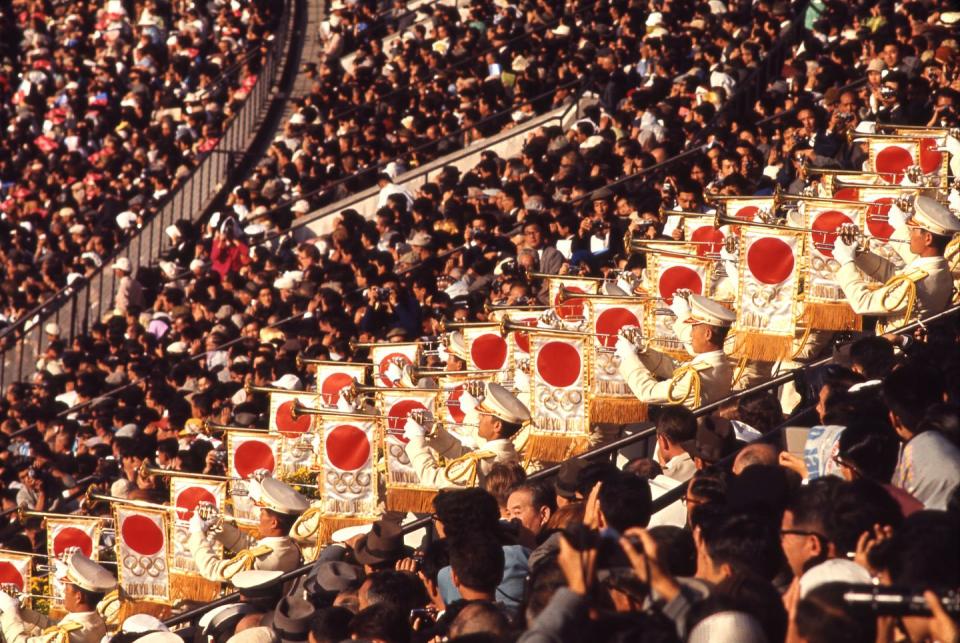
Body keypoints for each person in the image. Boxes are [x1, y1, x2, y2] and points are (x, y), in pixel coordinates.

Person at [832, 196, 960, 332]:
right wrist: (859, 254)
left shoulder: (919, 282)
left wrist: (846, 262)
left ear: (927, 239)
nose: (909, 234)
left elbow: (864, 303)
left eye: (913, 230)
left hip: (895, 350)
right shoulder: (937, 267)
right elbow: (894, 275)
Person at [616, 295, 736, 408]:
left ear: (707, 334)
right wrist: (643, 351)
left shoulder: (697, 376)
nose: (690, 334)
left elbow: (649, 393)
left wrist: (629, 357)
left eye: (694, 328)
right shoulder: (721, 363)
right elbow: (676, 369)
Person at [403, 382, 529, 487]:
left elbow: (433, 479)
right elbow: (464, 454)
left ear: (497, 426)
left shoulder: (486, 460)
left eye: (484, 415)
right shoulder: (503, 451)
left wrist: (416, 440)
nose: (479, 417)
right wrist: (433, 430)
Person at [189, 477, 309, 581]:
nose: (259, 516)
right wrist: (218, 524)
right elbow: (251, 546)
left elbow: (213, 569)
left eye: (262, 512)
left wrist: (196, 533)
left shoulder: (259, 559)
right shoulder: (291, 546)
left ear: (273, 523)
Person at [0, 552, 115, 643]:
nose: (64, 591)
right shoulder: (95, 620)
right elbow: (54, 626)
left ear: (78, 597)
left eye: (67, 587)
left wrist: (10, 611)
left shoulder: (71, 634)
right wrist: (20, 610)